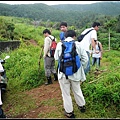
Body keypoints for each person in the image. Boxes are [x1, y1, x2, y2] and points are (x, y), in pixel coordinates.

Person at [54, 30, 88, 118]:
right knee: (77, 90)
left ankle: (69, 112)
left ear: (65, 36)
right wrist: (80, 69)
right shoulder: (78, 45)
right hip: (76, 73)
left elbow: (56, 58)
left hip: (63, 74)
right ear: (74, 36)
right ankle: (82, 106)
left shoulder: (59, 44)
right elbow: (85, 60)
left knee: (66, 93)